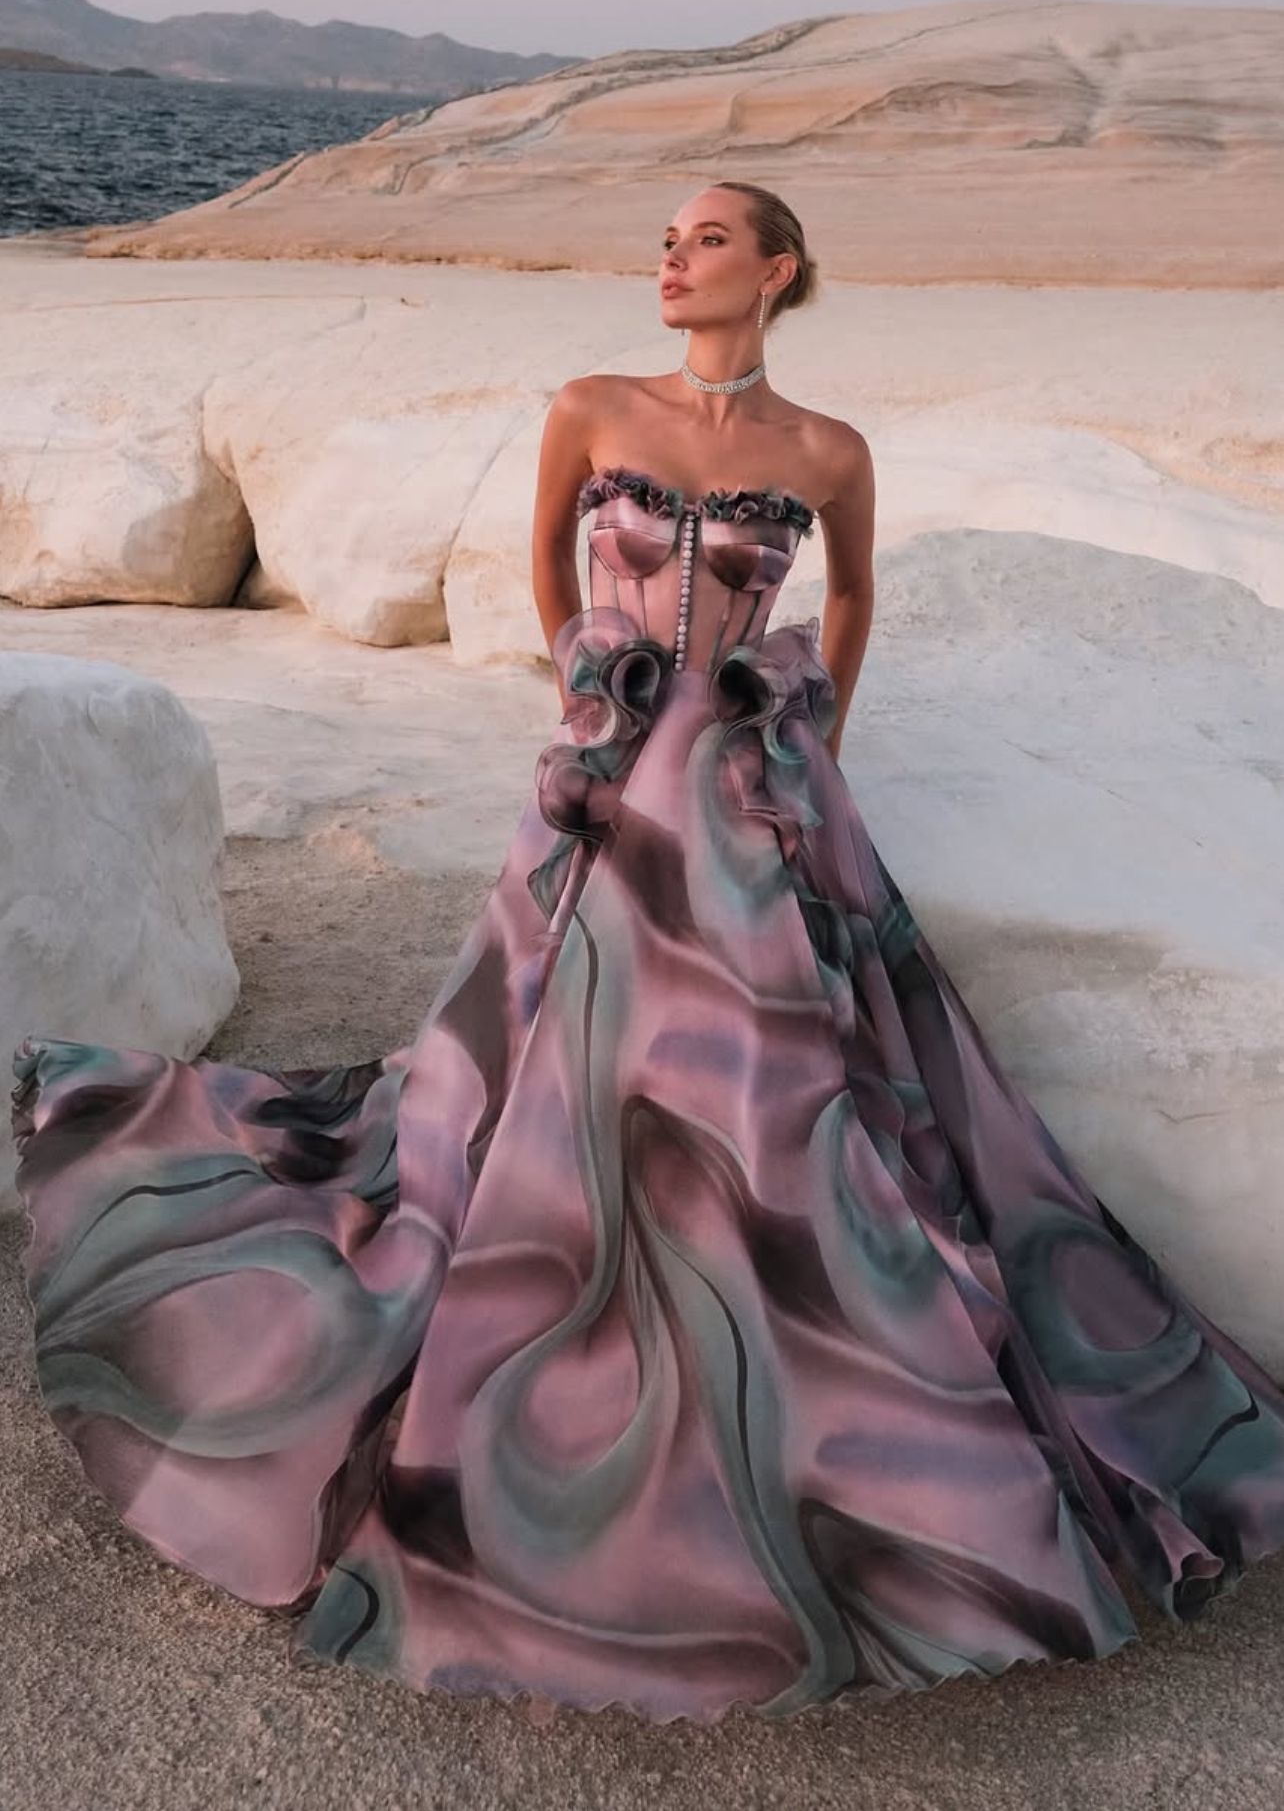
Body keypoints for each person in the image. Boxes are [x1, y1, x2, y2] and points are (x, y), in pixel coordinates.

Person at [10, 180, 1284, 1727]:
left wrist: (817, 727)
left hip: (750, 787)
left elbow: (858, 590)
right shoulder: (591, 403)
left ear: (778, 268)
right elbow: (551, 554)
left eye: (705, 240)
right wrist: (575, 680)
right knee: (529, 1059)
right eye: (668, 239)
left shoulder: (826, 453)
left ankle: (765, 1354)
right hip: (610, 772)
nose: (669, 259)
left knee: (807, 1074)